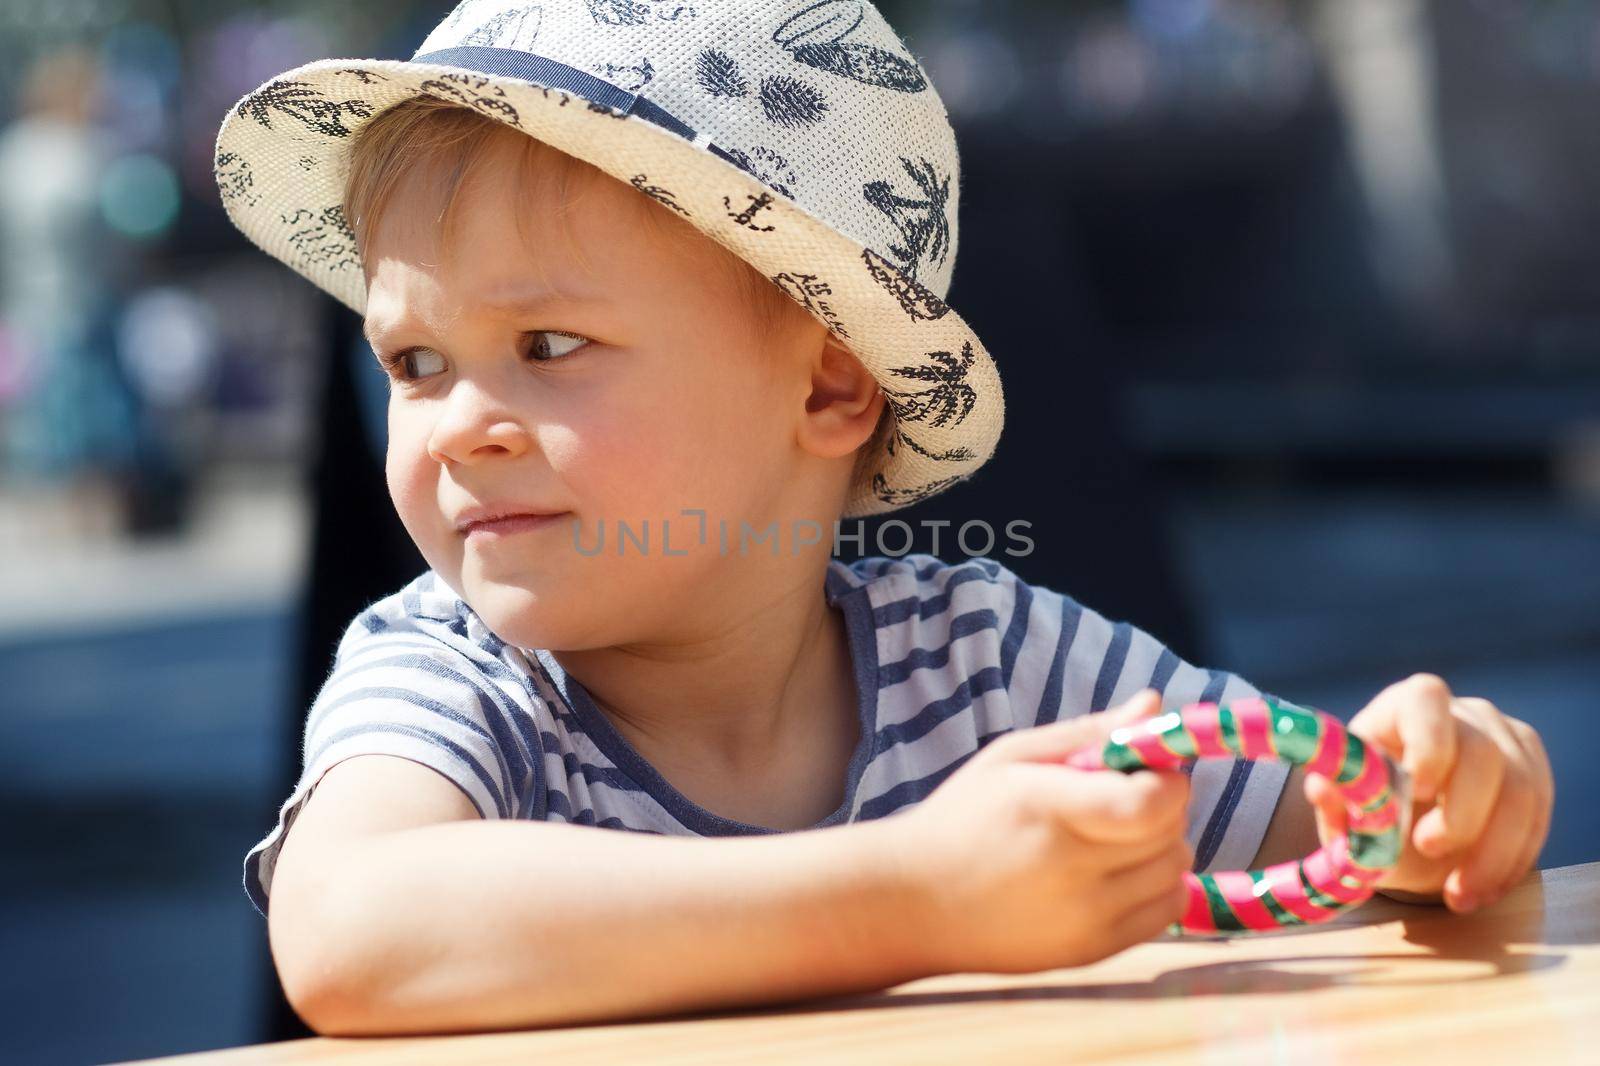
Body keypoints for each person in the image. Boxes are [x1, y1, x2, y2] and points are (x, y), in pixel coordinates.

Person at [214, 0, 1553, 1036]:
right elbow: (352, 930)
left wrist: (1431, 807)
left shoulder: (987, 655)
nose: (459, 425)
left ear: (830, 383)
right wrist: (919, 889)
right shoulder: (453, 678)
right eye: (415, 364)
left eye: (549, 343)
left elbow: (1309, 839)